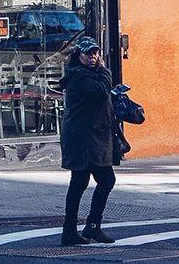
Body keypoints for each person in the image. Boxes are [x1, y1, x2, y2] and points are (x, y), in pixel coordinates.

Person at [58, 35, 117, 245]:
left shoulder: (87, 75)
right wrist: (104, 70)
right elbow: (101, 93)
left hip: (88, 136)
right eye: (87, 54)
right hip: (84, 140)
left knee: (79, 182)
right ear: (78, 55)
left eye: (95, 53)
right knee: (105, 179)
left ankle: (71, 230)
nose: (92, 57)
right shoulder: (80, 77)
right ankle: (91, 226)